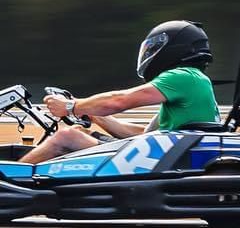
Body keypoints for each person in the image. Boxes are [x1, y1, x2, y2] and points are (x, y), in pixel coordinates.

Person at [21, 19, 220, 164]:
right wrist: (90, 113)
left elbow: (120, 101)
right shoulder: (193, 81)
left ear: (174, 48)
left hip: (161, 160)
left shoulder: (183, 76)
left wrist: (70, 106)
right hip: (165, 155)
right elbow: (143, 135)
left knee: (67, 137)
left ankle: (9, 181)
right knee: (80, 132)